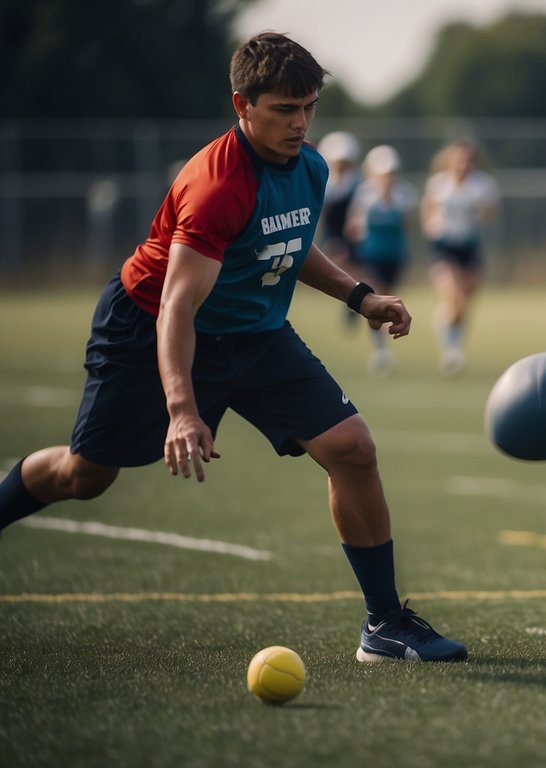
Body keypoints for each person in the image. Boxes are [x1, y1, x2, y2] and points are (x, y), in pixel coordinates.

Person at [0, 33, 467, 663]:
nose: (300, 123)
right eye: (283, 109)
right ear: (241, 104)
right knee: (86, 476)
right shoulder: (217, 185)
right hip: (148, 327)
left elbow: (290, 246)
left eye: (309, 107)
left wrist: (361, 297)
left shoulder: (313, 167)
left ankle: (384, 625)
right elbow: (176, 306)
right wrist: (183, 409)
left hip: (255, 333)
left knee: (352, 448)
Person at [421, 139, 499, 376]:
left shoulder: (482, 185)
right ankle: (451, 351)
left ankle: (449, 333)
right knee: (454, 295)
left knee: (463, 304)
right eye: (459, 159)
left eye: (467, 160)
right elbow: (428, 209)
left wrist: (481, 212)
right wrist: (432, 225)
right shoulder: (439, 184)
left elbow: (488, 213)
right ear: (450, 161)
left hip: (470, 248)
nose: (463, 164)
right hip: (444, 247)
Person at [345, 144, 417, 376]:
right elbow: (353, 225)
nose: (387, 177)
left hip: (395, 256)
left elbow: (410, 224)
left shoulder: (405, 194)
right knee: (376, 296)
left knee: (389, 299)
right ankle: (380, 351)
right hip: (372, 256)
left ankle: (382, 347)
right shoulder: (365, 194)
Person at [315, 130, 363, 329]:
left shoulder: (357, 182)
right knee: (340, 260)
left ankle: (353, 301)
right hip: (333, 234)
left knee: (357, 269)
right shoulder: (324, 182)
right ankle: (353, 297)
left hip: (354, 235)